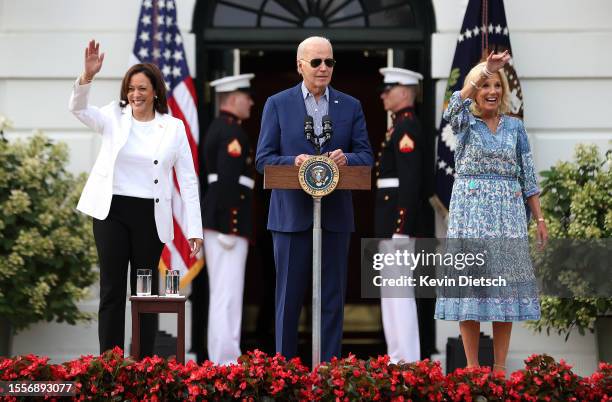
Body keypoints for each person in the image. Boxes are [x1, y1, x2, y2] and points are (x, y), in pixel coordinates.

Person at [69, 40, 203, 357]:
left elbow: (187, 179)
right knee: (112, 289)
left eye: (142, 88)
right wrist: (86, 78)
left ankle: (144, 364)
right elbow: (77, 109)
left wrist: (194, 227)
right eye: (131, 88)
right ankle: (111, 363)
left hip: (150, 215)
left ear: (155, 91)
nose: (135, 95)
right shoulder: (112, 115)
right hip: (111, 211)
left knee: (145, 294)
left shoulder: (173, 127)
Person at [255, 36, 373, 362]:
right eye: (316, 62)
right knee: (288, 299)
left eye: (329, 62)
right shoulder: (277, 104)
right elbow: (263, 159)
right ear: (300, 65)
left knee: (332, 298)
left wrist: (347, 158)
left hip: (335, 216)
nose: (323, 68)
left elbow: (366, 156)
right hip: (291, 217)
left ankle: (329, 371)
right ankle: (285, 372)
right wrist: (292, 161)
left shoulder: (350, 105)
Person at [434, 50, 548, 373]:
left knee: (504, 292)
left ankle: (498, 367)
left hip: (508, 217)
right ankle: (472, 367)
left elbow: (528, 176)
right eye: (485, 86)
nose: (492, 91)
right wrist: (483, 70)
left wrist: (539, 218)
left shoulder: (515, 128)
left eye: (496, 85)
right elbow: (452, 108)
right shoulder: (465, 123)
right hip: (470, 215)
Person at [202, 73, 255, 365]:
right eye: (246, 97)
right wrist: (229, 224)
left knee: (225, 292)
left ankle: (223, 356)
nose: (251, 102)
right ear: (233, 99)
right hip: (227, 223)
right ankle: (225, 360)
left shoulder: (223, 128)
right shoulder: (231, 133)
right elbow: (227, 181)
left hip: (224, 220)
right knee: (227, 293)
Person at [375, 67, 425, 363]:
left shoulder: (406, 127)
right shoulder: (398, 126)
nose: (383, 94)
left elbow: (409, 182)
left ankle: (407, 359)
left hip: (398, 224)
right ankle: (397, 357)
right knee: (391, 294)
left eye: (389, 89)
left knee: (399, 294)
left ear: (405, 92)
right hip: (390, 222)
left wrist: (401, 227)